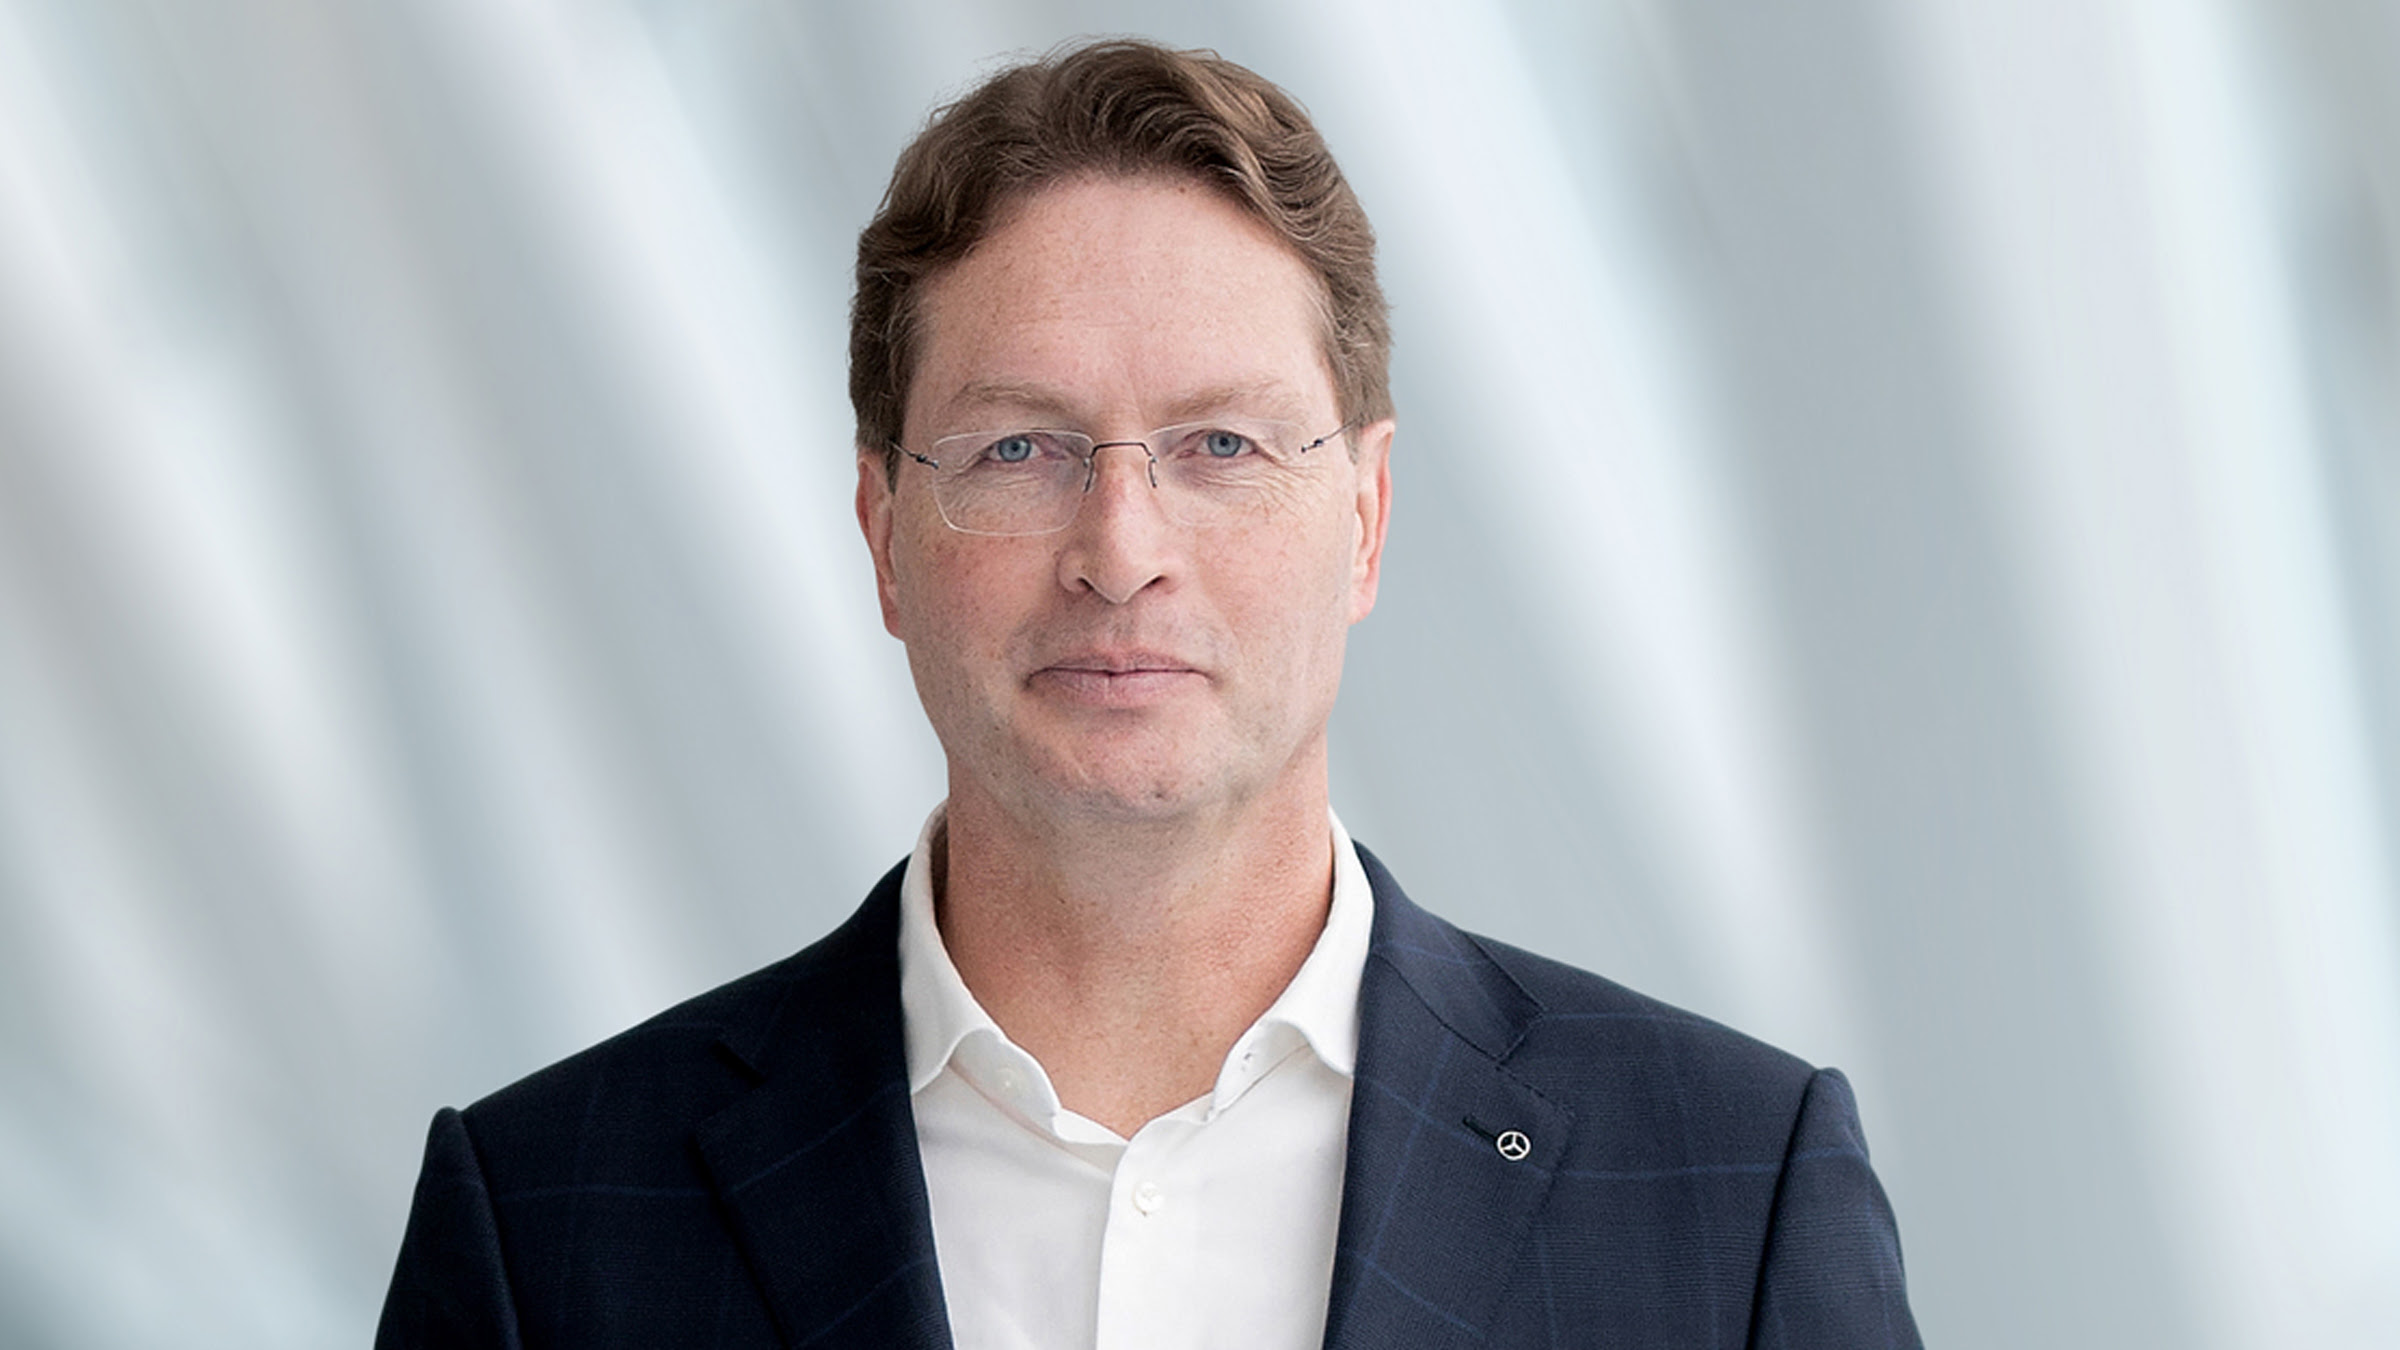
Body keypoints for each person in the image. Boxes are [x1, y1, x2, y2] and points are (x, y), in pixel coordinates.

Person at [376, 38, 1920, 1350]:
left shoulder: (1735, 1194)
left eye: (1221, 445)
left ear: (1367, 516)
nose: (1122, 553)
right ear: (883, 534)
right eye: (1019, 449)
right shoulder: (544, 1228)